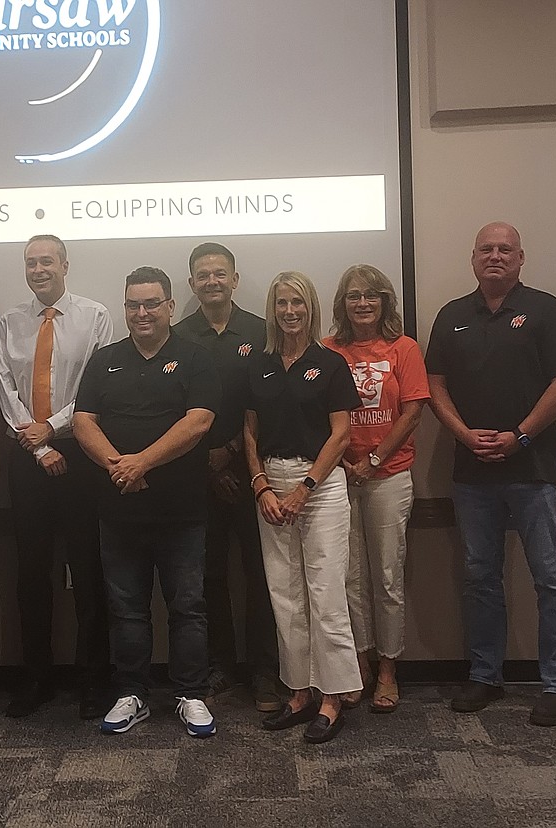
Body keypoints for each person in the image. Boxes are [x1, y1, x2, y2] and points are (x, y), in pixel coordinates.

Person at [425, 222, 556, 727]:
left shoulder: (546, 309)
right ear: (472, 258)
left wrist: (519, 435)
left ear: (521, 258)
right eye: (486, 249)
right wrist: (462, 433)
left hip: (536, 469)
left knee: (553, 578)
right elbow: (434, 385)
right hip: (472, 472)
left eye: (505, 250)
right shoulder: (452, 315)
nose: (495, 257)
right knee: (480, 577)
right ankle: (485, 676)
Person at [74, 266, 220, 738]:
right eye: (133, 304)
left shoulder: (196, 356)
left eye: (151, 303)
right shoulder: (105, 359)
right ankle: (131, 694)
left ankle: (191, 694)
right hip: (118, 509)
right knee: (126, 607)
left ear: (171, 307)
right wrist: (120, 464)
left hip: (182, 512)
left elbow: (198, 423)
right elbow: (82, 422)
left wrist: (143, 464)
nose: (142, 312)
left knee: (188, 606)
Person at [0, 235, 114, 719]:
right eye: (30, 262)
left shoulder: (96, 316)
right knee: (32, 574)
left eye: (47, 261)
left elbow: (98, 383)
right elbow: (4, 386)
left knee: (88, 572)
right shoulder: (11, 321)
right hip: (29, 459)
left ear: (65, 264)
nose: (38, 269)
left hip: (83, 453)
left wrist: (54, 429)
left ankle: (93, 679)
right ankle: (36, 677)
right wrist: (39, 444)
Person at [244, 271, 363, 744]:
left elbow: (342, 435)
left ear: (311, 307)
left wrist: (305, 488)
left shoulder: (331, 364)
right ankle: (299, 691)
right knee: (285, 594)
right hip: (270, 484)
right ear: (273, 310)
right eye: (281, 303)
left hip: (322, 485)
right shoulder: (260, 364)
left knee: (326, 592)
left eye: (298, 302)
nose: (290, 311)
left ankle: (333, 698)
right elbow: (248, 431)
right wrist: (261, 486)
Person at [173, 242, 282, 712]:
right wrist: (208, 461)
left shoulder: (263, 333)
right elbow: (172, 411)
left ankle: (264, 670)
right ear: (192, 283)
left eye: (221, 273)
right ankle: (220, 665)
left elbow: (272, 403)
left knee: (261, 575)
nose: (212, 281)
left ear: (235, 279)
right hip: (196, 476)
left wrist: (233, 452)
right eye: (203, 275)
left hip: (256, 475)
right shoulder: (176, 337)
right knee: (206, 577)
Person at [323, 265, 429, 714]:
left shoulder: (404, 348)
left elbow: (412, 412)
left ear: (385, 301)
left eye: (371, 295)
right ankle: (361, 662)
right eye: (353, 296)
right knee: (349, 579)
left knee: (386, 576)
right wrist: (346, 463)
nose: (362, 303)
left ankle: (388, 668)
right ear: (341, 304)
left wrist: (372, 461)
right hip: (338, 477)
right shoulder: (327, 350)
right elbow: (316, 410)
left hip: (388, 476)